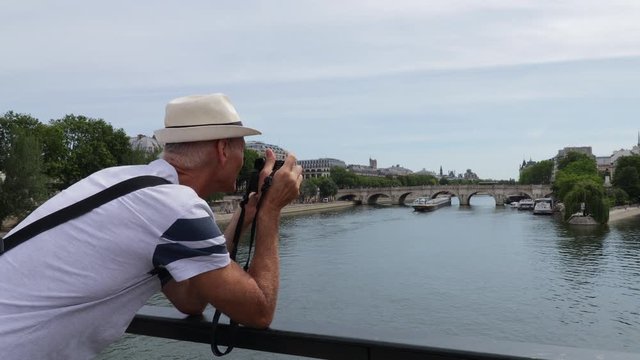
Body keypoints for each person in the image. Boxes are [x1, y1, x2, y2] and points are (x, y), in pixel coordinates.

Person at [0, 93, 302, 359]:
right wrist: (271, 211)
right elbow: (259, 311)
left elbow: (190, 300)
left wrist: (244, 218)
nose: (243, 158)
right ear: (223, 149)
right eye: (241, 147)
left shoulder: (119, 180)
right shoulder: (176, 207)